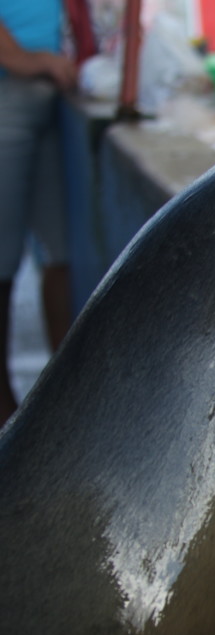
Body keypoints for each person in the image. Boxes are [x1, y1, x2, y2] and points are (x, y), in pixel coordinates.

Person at [0, 0, 75, 426]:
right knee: (1, 263)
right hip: (9, 84)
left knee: (61, 252)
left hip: (45, 88)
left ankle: (63, 398)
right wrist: (23, 58)